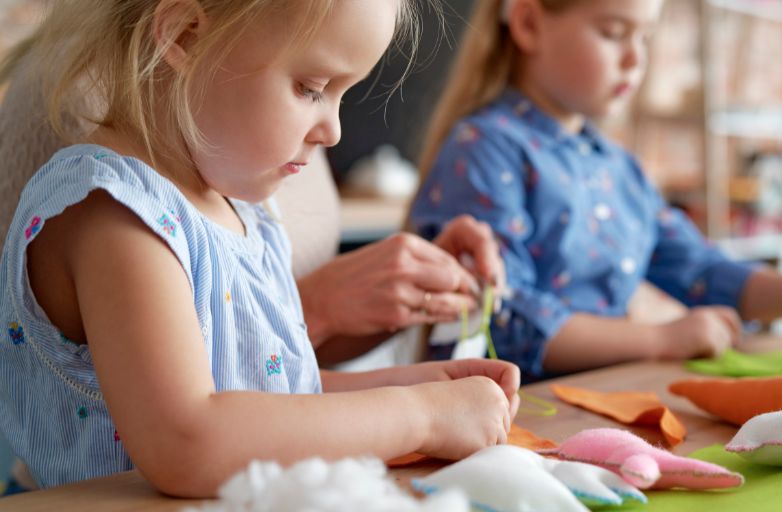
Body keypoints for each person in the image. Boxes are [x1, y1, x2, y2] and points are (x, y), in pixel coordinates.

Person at [0, 0, 520, 497]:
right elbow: (190, 440)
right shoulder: (114, 213)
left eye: (344, 95)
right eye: (311, 88)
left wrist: (419, 388)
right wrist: (420, 415)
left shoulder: (244, 216)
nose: (333, 131)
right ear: (183, 35)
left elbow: (271, 397)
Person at [408, 0, 782, 381]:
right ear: (528, 22)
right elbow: (505, 319)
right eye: (613, 33)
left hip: (597, 395)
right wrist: (660, 339)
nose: (636, 59)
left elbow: (700, 271)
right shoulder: (484, 148)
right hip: (509, 416)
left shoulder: (617, 167)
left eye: (646, 37)